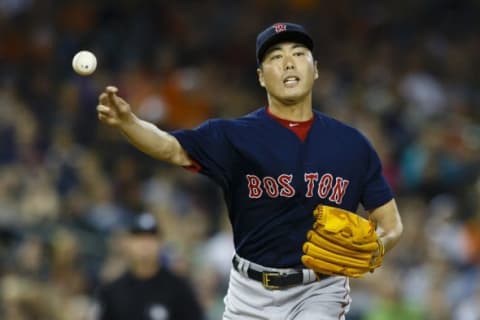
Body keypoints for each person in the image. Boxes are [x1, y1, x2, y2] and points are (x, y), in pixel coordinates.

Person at [97, 22, 403, 320]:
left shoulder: (352, 144)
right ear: (260, 76)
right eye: (275, 57)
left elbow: (390, 225)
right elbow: (169, 147)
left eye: (299, 53)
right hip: (250, 290)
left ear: (316, 68)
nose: (288, 63)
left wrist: (374, 249)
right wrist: (129, 124)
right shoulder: (233, 136)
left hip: (320, 289)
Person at [96, 213, 204, 320]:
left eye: (151, 238)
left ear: (161, 243)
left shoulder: (179, 289)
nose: (145, 244)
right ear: (127, 243)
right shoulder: (112, 291)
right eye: (139, 238)